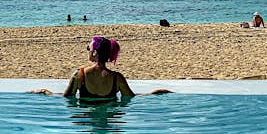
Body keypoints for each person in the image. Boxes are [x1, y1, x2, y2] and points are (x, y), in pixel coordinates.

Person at [30, 36, 171, 99]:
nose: (88, 52)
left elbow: (66, 98)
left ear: (95, 52)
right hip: (110, 118)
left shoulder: (79, 75)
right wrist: (155, 92)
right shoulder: (117, 78)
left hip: (85, 119)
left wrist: (45, 91)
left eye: (89, 49)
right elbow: (131, 97)